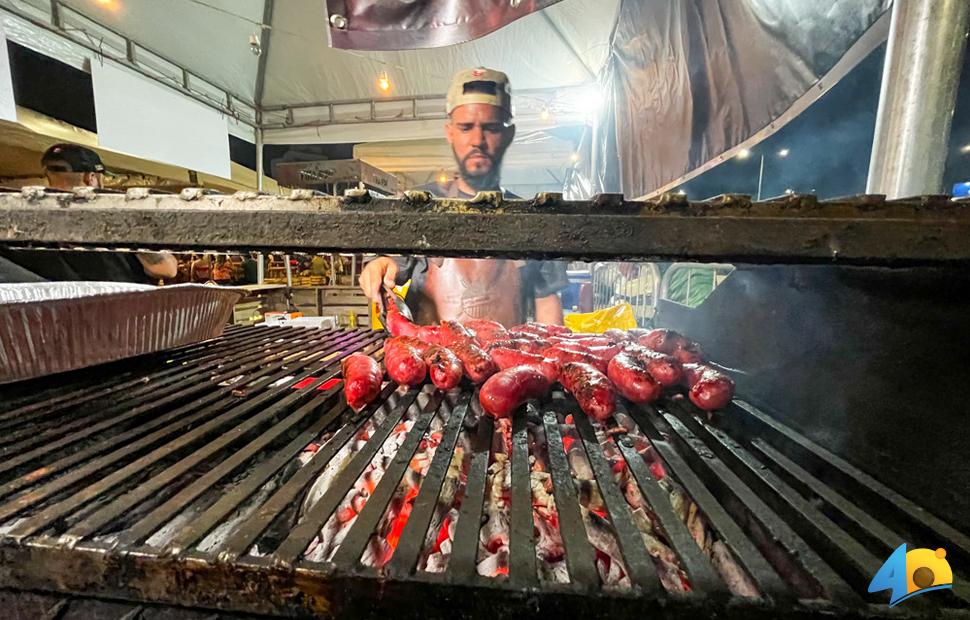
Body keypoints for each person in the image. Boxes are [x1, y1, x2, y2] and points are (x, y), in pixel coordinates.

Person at [359, 68, 567, 326]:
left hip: (507, 363)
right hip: (433, 362)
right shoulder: (419, 208)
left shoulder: (531, 219)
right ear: (450, 132)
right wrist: (379, 266)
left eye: (490, 127)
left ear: (509, 134)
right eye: (466, 127)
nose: (477, 140)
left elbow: (547, 305)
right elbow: (386, 263)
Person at [0, 144, 178, 283]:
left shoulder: (20, 220)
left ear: (47, 174)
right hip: (119, 320)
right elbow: (167, 268)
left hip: (48, 323)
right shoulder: (117, 218)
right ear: (91, 178)